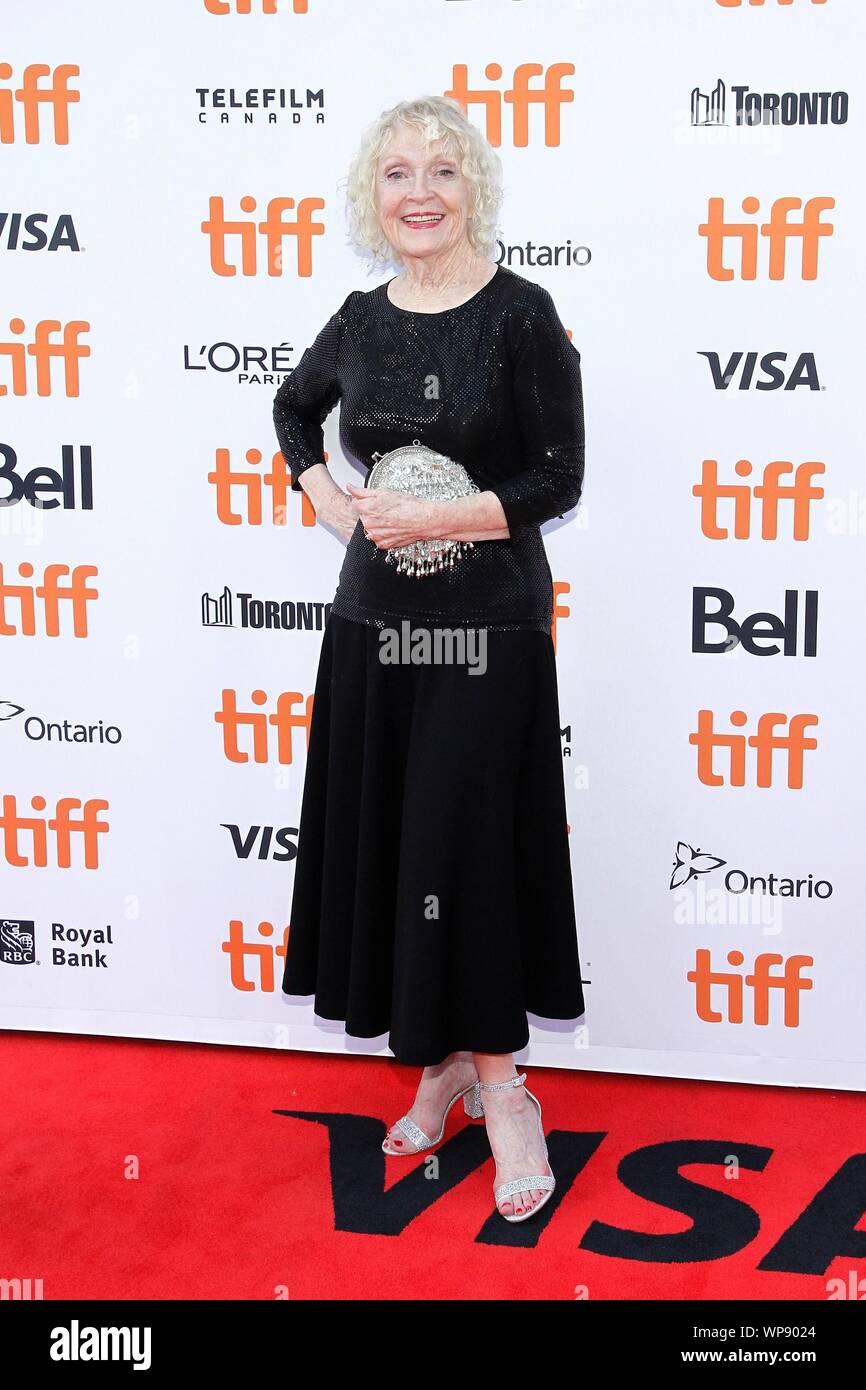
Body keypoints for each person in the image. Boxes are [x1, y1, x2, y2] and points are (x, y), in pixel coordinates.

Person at [272, 95, 587, 1224]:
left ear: (472, 191)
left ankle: (504, 1091)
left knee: (469, 850)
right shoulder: (358, 318)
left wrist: (442, 522)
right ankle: (442, 1063)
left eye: (442, 172)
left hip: (485, 632)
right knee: (407, 854)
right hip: (372, 631)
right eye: (397, 171)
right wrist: (323, 495)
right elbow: (293, 405)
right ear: (374, 193)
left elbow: (558, 479)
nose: (419, 191)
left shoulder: (520, 315)